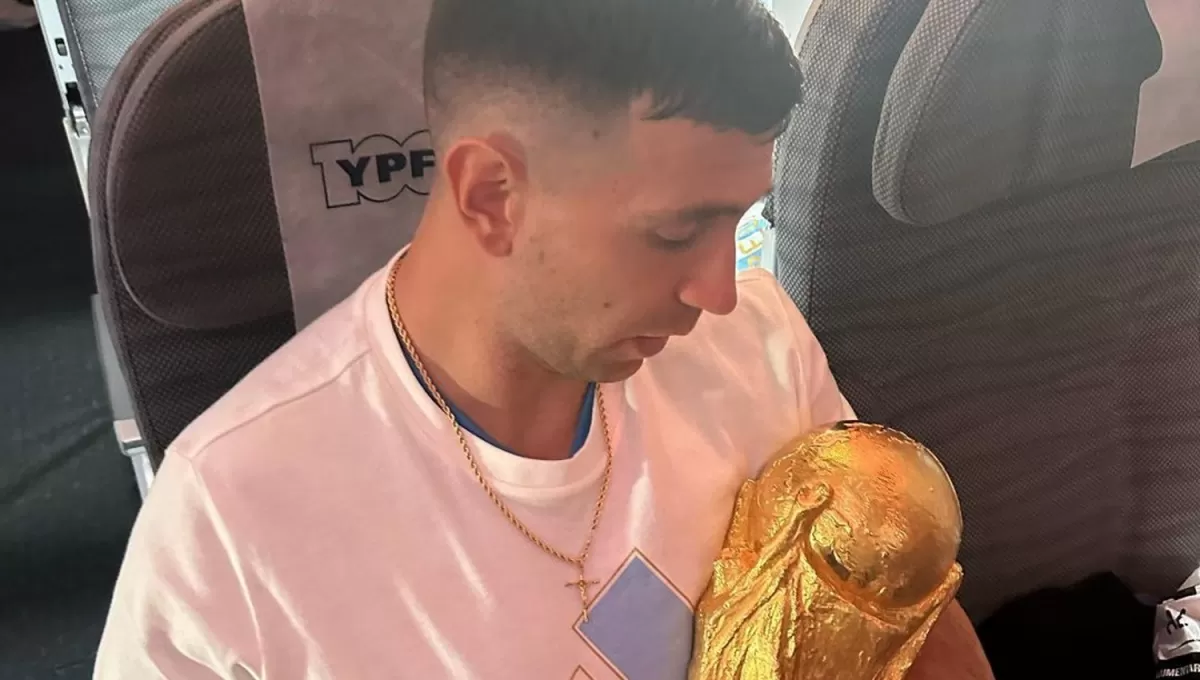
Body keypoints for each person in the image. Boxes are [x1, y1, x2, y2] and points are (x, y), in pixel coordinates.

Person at [94, 0, 993, 677]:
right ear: (492, 196)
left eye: (738, 223)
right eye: (677, 231)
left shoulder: (755, 346)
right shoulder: (232, 525)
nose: (717, 290)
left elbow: (918, 633)